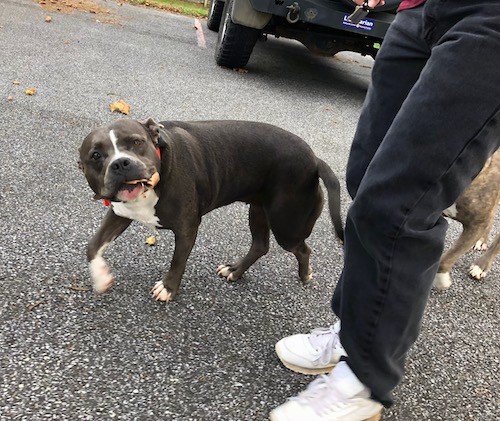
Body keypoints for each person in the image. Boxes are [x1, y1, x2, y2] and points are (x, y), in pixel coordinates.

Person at [269, 0, 500, 419]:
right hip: (421, 12)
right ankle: (353, 332)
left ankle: (363, 380)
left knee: (398, 205)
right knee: (365, 178)